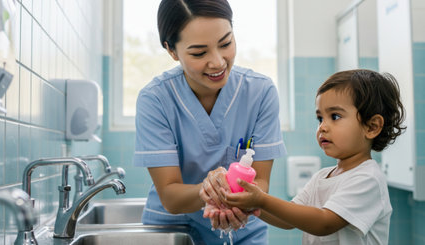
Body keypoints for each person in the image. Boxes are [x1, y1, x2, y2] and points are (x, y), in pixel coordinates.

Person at [133, 0, 287, 244]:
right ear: (171, 50)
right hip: (174, 229)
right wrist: (207, 191)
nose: (217, 62)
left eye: (225, 43)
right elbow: (170, 195)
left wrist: (232, 202)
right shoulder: (155, 99)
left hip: (243, 229)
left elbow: (261, 183)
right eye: (199, 53)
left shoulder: (261, 92)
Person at [221, 69, 406, 245]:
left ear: (372, 127)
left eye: (334, 116)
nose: (323, 127)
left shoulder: (368, 179)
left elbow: (324, 223)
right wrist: (252, 206)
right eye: (320, 118)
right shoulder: (321, 177)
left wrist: (261, 200)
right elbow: (287, 220)